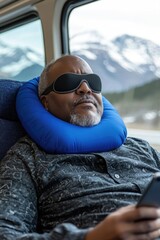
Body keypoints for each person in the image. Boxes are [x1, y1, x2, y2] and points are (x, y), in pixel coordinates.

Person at [0, 55, 160, 240]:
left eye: (93, 82)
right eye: (68, 82)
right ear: (46, 103)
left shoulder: (141, 148)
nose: (85, 89)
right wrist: (92, 237)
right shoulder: (27, 157)